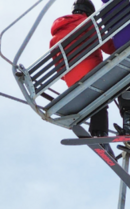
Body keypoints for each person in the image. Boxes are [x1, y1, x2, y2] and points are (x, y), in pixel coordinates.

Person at [50, 0, 118, 138]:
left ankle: (97, 131)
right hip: (91, 74)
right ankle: (100, 133)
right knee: (101, 96)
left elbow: (59, 67)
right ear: (89, 12)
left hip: (72, 82)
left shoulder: (56, 36)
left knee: (94, 96)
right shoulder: (88, 23)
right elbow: (109, 47)